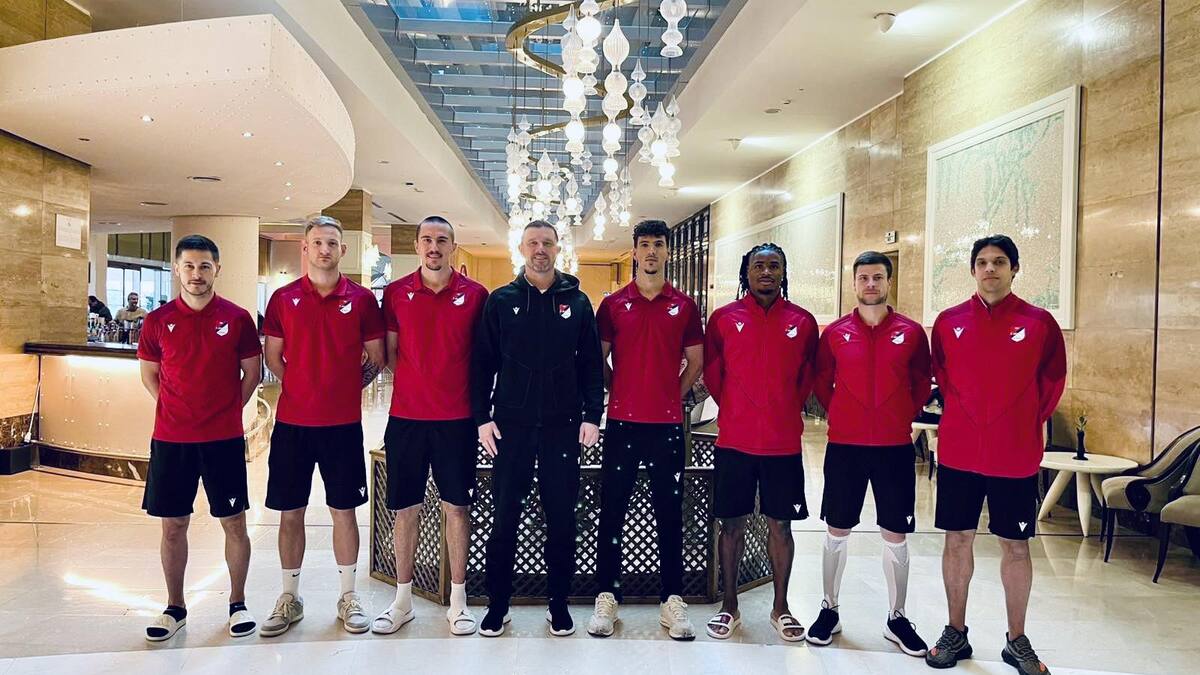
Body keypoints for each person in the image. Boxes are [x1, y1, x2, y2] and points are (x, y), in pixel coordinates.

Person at [925, 234, 1065, 674]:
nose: (990, 269)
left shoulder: (1039, 323)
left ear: (1014, 269)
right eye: (983, 262)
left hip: (1014, 456)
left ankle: (1016, 639)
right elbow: (943, 377)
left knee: (1016, 546)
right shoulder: (949, 322)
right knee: (957, 540)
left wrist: (1018, 423)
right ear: (972, 269)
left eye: (1000, 262)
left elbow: (1052, 383)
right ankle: (955, 631)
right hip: (959, 454)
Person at [471, 219, 604, 638]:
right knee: (504, 518)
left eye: (547, 242)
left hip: (562, 427)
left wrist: (592, 415)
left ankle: (558, 604)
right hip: (511, 427)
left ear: (557, 249)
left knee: (562, 518)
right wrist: (482, 418)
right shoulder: (501, 300)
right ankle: (498, 604)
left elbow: (591, 364)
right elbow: (482, 363)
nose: (540, 249)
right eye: (533, 243)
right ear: (522, 249)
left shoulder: (577, 302)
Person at [260, 216, 386, 637]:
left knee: (344, 511)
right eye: (317, 243)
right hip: (293, 425)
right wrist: (299, 385)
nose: (324, 250)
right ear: (305, 247)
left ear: (343, 250)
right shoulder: (283, 299)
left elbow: (377, 357)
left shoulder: (362, 300)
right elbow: (273, 356)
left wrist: (347, 386)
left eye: (332, 243)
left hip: (342, 426)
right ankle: (289, 597)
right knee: (290, 511)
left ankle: (348, 596)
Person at [136, 234, 262, 642]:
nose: (196, 273)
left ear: (217, 270)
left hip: (223, 439)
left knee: (234, 522)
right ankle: (175, 607)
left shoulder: (237, 318)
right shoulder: (158, 321)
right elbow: (150, 375)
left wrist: (228, 409)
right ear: (177, 269)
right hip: (171, 440)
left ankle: (238, 604)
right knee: (173, 525)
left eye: (204, 266)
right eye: (188, 266)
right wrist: (176, 408)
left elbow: (253, 373)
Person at [805, 251, 931, 656]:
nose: (871, 284)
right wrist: (845, 413)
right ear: (854, 283)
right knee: (836, 529)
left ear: (889, 282)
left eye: (878, 277)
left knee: (896, 532)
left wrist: (899, 413)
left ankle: (897, 618)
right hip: (846, 446)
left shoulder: (911, 333)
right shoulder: (836, 333)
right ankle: (829, 609)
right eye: (864, 278)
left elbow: (921, 382)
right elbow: (822, 381)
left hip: (894, 447)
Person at [586, 220, 704, 641]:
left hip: (667, 427)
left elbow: (696, 360)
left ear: (668, 251)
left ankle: (672, 600)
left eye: (658, 244)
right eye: (644, 244)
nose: (651, 251)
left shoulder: (684, 306)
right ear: (634, 252)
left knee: (669, 514)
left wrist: (671, 394)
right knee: (612, 513)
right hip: (621, 424)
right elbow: (598, 358)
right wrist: (617, 388)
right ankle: (607, 597)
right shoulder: (613, 305)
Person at [371, 216, 488, 636]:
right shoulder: (396, 293)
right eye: (426, 240)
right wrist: (418, 384)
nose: (433, 247)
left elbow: (482, 357)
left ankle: (458, 601)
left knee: (457, 508)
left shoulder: (475, 295)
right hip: (407, 419)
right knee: (405, 509)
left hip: (457, 421)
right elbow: (390, 353)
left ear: (453, 246)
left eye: (441, 240)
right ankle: (402, 600)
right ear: (417, 245)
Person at [701, 242, 818, 643]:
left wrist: (782, 408)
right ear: (746, 273)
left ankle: (781, 607)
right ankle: (729, 605)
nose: (766, 272)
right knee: (730, 525)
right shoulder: (723, 318)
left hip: (782, 445)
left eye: (774, 266)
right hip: (734, 441)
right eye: (758, 266)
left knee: (781, 526)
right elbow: (713, 373)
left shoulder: (802, 321)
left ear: (783, 272)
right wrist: (737, 409)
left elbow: (807, 376)